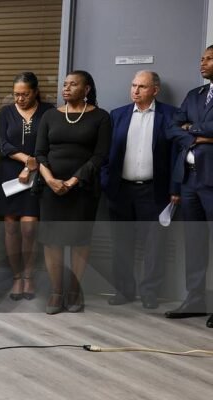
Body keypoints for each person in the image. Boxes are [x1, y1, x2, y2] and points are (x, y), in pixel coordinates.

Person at [35, 70, 111, 314]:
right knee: (52, 241)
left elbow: (100, 156)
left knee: (79, 241)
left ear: (86, 89)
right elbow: (40, 153)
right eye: (65, 84)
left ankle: (74, 290)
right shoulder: (50, 115)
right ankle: (56, 292)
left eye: (73, 84)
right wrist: (50, 180)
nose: (66, 88)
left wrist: (72, 182)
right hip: (51, 188)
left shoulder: (101, 117)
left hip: (83, 189)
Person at [101, 71, 179, 310]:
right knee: (121, 243)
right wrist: (106, 182)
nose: (135, 90)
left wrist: (174, 188)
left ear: (155, 90)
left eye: (142, 86)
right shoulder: (117, 115)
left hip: (154, 191)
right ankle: (123, 290)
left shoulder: (170, 115)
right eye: (133, 85)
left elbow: (176, 155)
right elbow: (105, 153)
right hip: (121, 190)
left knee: (154, 245)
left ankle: (150, 292)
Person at [0, 72, 53, 301]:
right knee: (10, 226)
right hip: (10, 174)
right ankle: (17, 277)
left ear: (35, 92)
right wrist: (27, 160)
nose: (20, 99)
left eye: (24, 94)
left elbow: (49, 142)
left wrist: (33, 165)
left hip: (38, 174)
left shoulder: (48, 111)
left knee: (29, 228)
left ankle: (29, 276)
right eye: (16, 94)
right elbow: (2, 144)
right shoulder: (7, 112)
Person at [165, 45, 213, 328]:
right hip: (189, 179)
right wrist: (202, 137)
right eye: (201, 59)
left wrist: (190, 129)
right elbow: (172, 127)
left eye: (209, 59)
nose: (202, 63)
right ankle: (195, 300)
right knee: (194, 242)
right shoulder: (194, 94)